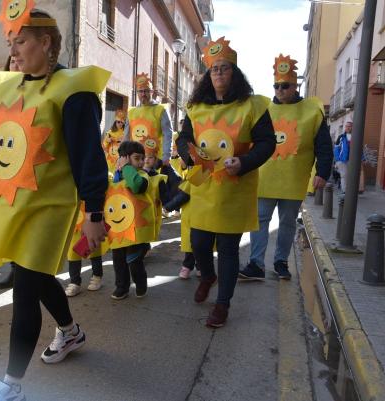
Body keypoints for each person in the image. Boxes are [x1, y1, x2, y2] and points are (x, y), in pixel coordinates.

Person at [0, 4, 110, 400]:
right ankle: (70, 332)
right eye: (10, 42)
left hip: (49, 207)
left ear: (46, 43)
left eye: (22, 41)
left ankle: (10, 387)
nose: (14, 50)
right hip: (10, 204)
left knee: (25, 288)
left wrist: (94, 212)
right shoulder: (7, 87)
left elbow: (88, 156)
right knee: (38, 276)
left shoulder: (74, 91)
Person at [176, 36, 275, 328]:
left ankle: (222, 305)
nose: (218, 73)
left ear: (235, 73)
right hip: (205, 189)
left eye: (224, 67)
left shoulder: (253, 106)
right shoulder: (196, 108)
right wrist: (188, 155)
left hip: (234, 189)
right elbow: (184, 139)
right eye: (214, 68)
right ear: (208, 75)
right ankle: (208, 275)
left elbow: (267, 143)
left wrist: (243, 162)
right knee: (199, 243)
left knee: (229, 250)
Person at [239, 54, 333, 281]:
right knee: (260, 219)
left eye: (285, 86)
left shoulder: (312, 111)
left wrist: (322, 172)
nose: (280, 90)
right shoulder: (264, 109)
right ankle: (256, 264)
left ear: (295, 86)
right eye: (277, 86)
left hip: (294, 178)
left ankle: (281, 262)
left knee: (288, 222)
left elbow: (323, 145)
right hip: (265, 177)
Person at [107, 141, 163, 300]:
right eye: (137, 158)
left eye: (142, 158)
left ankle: (140, 283)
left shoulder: (142, 175)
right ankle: (121, 287)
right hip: (119, 229)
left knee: (134, 261)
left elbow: (136, 185)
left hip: (136, 229)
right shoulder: (116, 177)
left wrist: (127, 168)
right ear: (124, 158)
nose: (141, 162)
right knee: (118, 261)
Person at [0, 54, 21, 291]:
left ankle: (26, 274)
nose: (16, 63)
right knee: (8, 225)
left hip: (26, 168)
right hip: (4, 168)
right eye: (11, 60)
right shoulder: (1, 94)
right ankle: (14, 270)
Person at [124, 73, 173, 165]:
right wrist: (123, 156)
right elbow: (126, 137)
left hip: (154, 161)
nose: (143, 94)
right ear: (137, 92)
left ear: (152, 92)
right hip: (135, 161)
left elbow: (168, 135)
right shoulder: (131, 112)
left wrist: (166, 157)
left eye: (146, 91)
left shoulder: (161, 110)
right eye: (140, 91)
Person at [64, 202, 106, 297]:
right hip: (73, 222)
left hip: (89, 217)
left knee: (94, 250)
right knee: (73, 254)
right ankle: (75, 282)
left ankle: (97, 276)